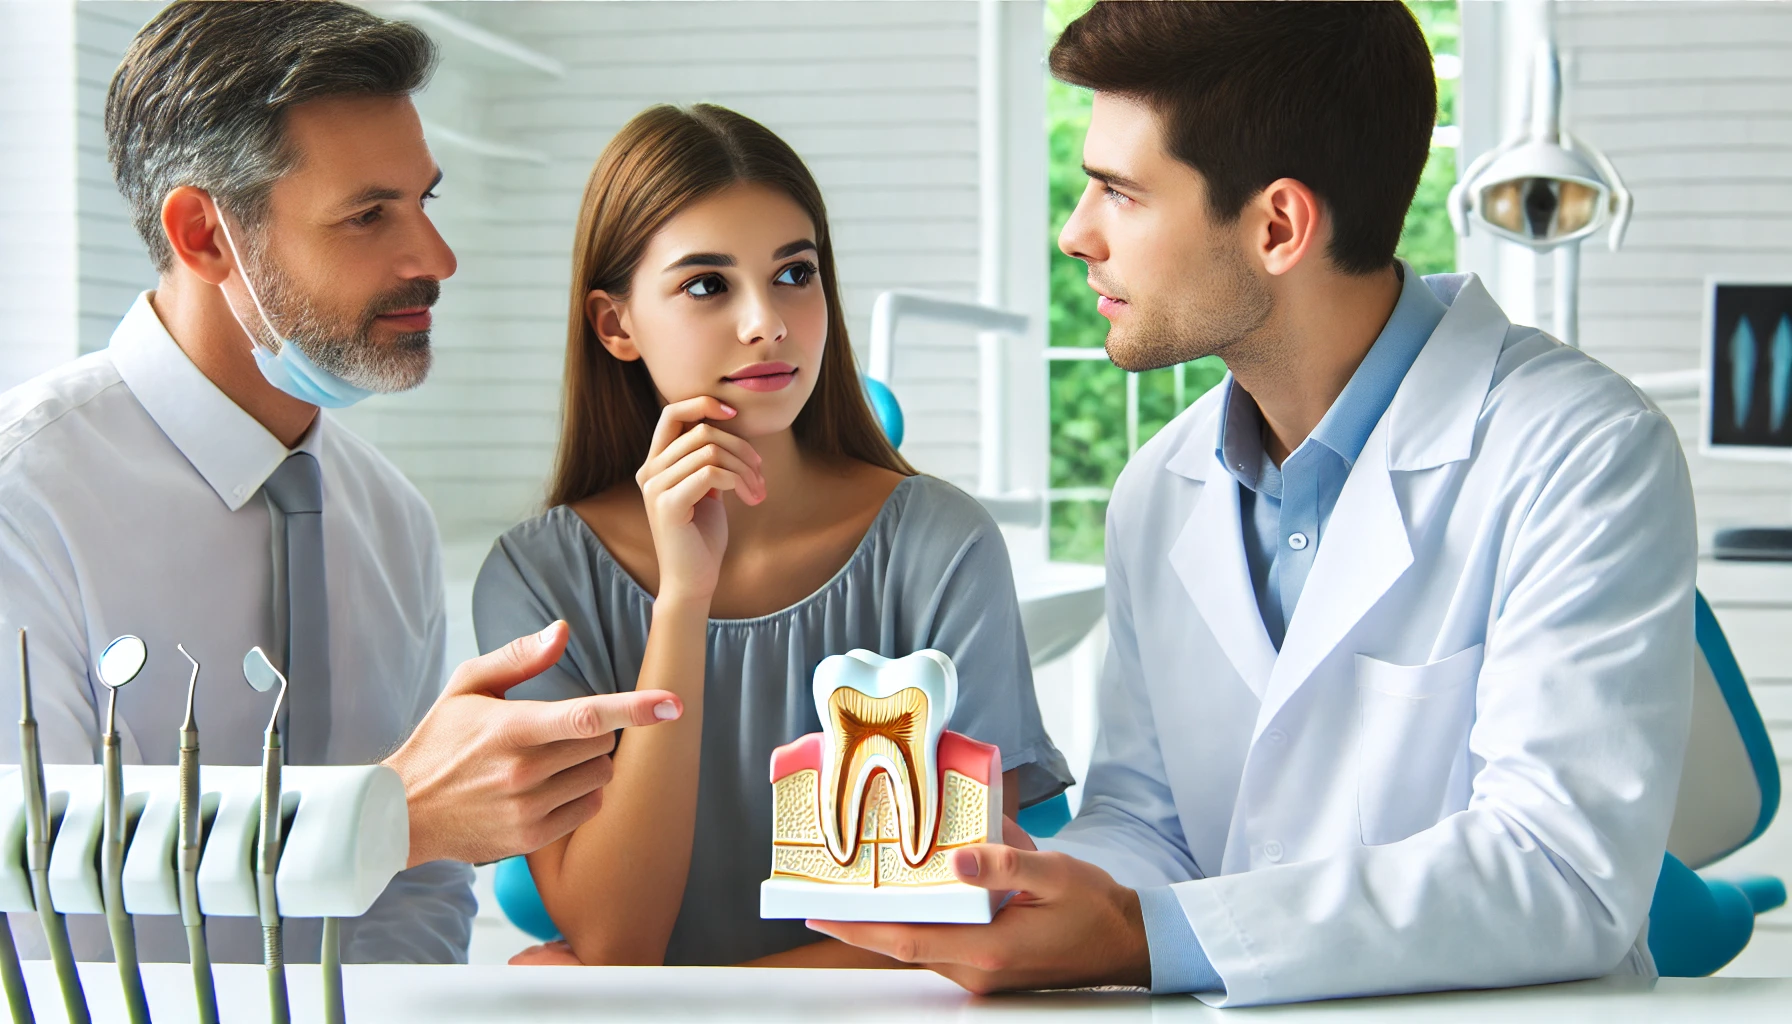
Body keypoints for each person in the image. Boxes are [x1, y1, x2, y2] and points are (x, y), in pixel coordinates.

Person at [814, 1, 1696, 1006]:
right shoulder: (1162, 484)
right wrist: (1026, 884)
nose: (1074, 233)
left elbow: (1559, 871)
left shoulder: (1579, 452)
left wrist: (1140, 937)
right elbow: (1152, 825)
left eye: (1118, 192)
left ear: (1278, 224)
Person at [0, 0, 680, 965]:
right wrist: (391, 815)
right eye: (368, 215)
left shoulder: (388, 519)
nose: (436, 262)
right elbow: (36, 874)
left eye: (424, 202)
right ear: (203, 235)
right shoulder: (22, 505)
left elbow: (421, 898)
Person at [471, 103, 1073, 968]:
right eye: (708, 285)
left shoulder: (943, 544)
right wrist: (683, 601)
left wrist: (703, 1007)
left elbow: (974, 911)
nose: (768, 321)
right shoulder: (535, 579)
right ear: (616, 325)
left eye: (795, 273)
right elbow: (616, 937)